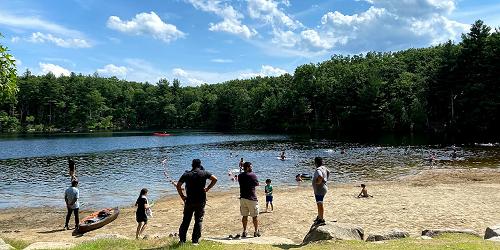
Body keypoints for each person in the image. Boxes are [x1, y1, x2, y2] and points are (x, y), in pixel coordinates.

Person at [176, 159, 218, 245]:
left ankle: (182, 241)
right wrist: (207, 188)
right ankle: (195, 241)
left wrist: (182, 196)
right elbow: (215, 179)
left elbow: (178, 185)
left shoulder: (186, 174)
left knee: (186, 220)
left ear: (192, 165)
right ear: (200, 165)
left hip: (189, 200)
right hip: (200, 200)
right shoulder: (204, 173)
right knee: (198, 220)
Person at [238, 162, 261, 237]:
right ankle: (256, 231)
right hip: (251, 198)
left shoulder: (240, 175)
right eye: (251, 167)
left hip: (243, 198)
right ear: (247, 167)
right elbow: (257, 184)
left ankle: (244, 231)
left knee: (244, 216)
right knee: (255, 216)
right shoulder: (252, 175)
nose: (252, 168)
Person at [312, 157, 330, 226]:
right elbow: (328, 172)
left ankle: (321, 219)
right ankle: (319, 216)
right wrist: (325, 180)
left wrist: (318, 182)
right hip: (323, 188)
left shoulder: (318, 169)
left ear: (316, 163)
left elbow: (320, 176)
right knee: (319, 203)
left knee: (320, 204)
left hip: (320, 189)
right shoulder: (324, 168)